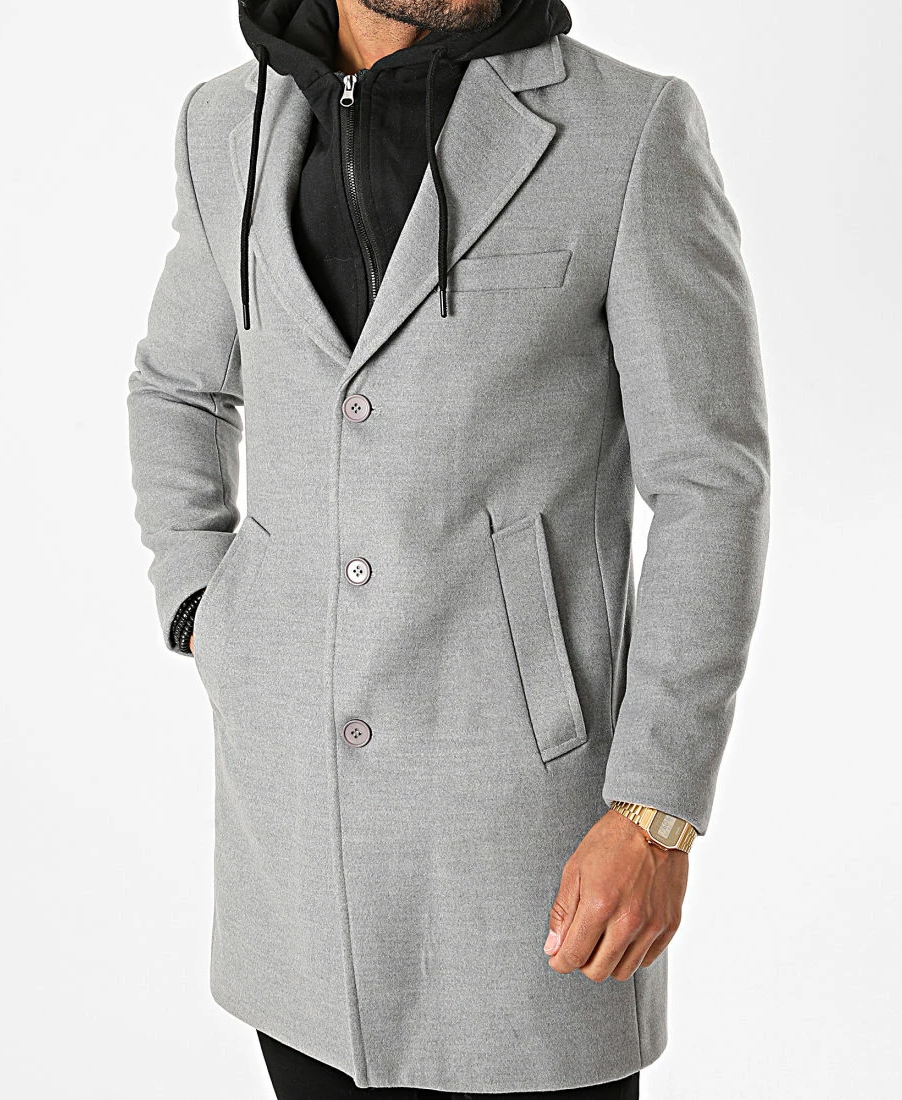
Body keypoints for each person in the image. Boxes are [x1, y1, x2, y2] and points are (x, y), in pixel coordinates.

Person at [126, 0, 770, 1096]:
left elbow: (712, 480)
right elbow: (179, 387)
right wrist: (201, 600)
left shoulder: (628, 129)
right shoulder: (223, 125)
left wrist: (656, 810)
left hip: (527, 833)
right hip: (294, 836)